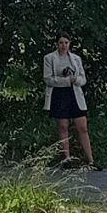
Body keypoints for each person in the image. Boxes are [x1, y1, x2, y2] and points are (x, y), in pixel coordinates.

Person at [43, 32, 100, 170]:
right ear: (57, 44)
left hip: (75, 94)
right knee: (63, 126)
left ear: (69, 44)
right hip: (59, 94)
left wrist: (75, 80)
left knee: (82, 127)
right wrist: (65, 80)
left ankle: (90, 160)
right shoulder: (49, 58)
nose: (63, 45)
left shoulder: (76, 59)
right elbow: (48, 79)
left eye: (66, 43)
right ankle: (66, 159)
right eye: (61, 43)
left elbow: (83, 78)